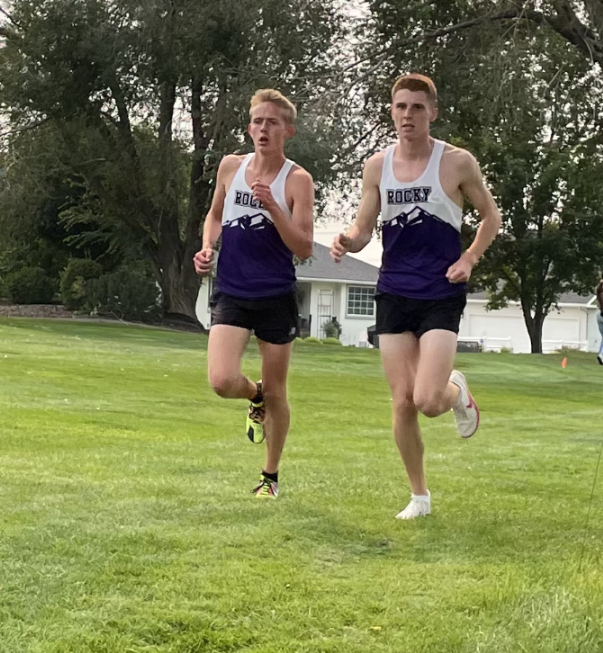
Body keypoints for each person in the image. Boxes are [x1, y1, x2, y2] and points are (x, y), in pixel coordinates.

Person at [331, 74, 501, 519]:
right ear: (391, 111)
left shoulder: (457, 162)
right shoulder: (377, 166)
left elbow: (490, 217)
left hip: (441, 290)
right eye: (401, 107)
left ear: (433, 112)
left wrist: (470, 258)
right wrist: (347, 241)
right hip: (393, 291)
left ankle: (456, 389)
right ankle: (419, 497)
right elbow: (364, 228)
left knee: (428, 400)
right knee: (402, 399)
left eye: (417, 108)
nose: (408, 115)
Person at [194, 89, 314, 498]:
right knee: (222, 380)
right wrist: (208, 246)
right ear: (249, 127)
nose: (264, 129)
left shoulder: (297, 180)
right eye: (258, 121)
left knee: (280, 391)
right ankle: (254, 394)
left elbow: (303, 248)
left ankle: (270, 477)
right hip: (232, 290)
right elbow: (213, 216)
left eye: (273, 122)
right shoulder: (231, 166)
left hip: (276, 295)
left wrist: (274, 208)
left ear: (288, 130)